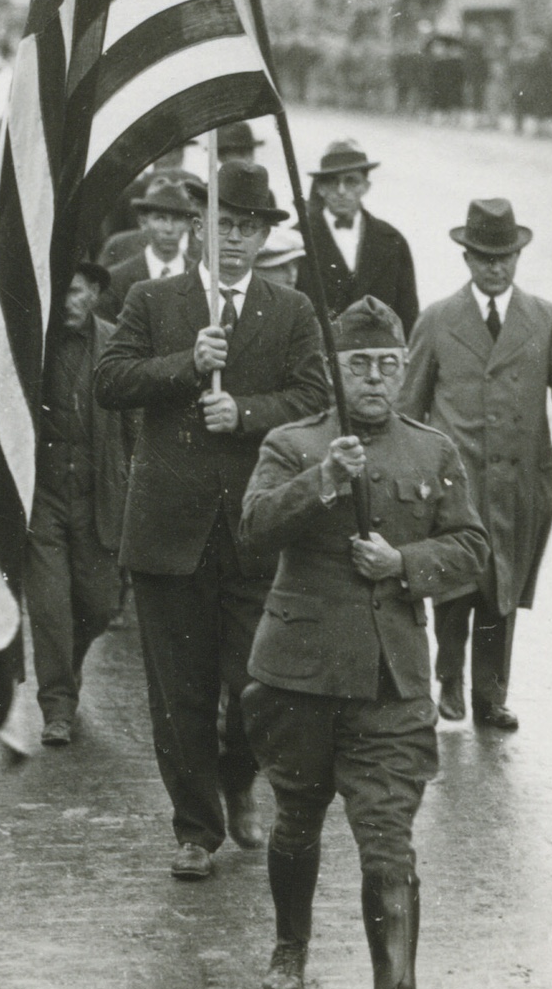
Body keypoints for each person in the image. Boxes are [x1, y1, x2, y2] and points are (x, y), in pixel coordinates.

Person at [239, 297, 487, 989]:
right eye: (358, 366)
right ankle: (291, 945)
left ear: (403, 367)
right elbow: (252, 530)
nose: (374, 379)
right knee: (298, 822)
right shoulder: (292, 442)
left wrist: (405, 564)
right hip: (301, 678)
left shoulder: (433, 451)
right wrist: (322, 479)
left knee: (387, 841)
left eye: (386, 365)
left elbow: (472, 549)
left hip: (390, 683)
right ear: (335, 372)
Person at [94, 160, 331, 879]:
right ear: (199, 226)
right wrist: (186, 365)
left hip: (256, 534)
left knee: (255, 687)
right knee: (179, 694)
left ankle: (238, 779)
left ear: (263, 239)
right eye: (224, 224)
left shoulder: (290, 312)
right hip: (168, 532)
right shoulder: (151, 298)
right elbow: (110, 381)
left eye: (249, 229)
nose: (234, 239)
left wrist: (247, 414)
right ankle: (196, 829)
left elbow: (316, 398)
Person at [402, 199, 552, 730]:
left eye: (505, 256)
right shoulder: (439, 319)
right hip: (454, 479)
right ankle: (448, 678)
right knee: (454, 582)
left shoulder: (544, 318)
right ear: (466, 258)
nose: (496, 267)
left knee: (500, 588)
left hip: (518, 479)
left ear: (518, 257)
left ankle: (490, 696)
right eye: (485, 257)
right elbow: (409, 400)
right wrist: (402, 461)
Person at [25, 261, 130, 747]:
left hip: (98, 492)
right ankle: (58, 706)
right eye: (61, 292)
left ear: (95, 294)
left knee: (100, 604)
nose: (69, 302)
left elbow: (135, 424)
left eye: (78, 292)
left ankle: (70, 667)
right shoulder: (31, 347)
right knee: (49, 606)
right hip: (42, 496)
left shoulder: (116, 344)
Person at [307, 139, 418, 332]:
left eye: (351, 181)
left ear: (366, 186)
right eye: (333, 181)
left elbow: (408, 316)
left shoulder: (392, 240)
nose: (341, 191)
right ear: (320, 188)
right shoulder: (299, 239)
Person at [104, 176, 197, 313]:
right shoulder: (117, 279)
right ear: (143, 222)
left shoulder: (200, 276)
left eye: (177, 219)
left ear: (189, 225)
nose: (169, 229)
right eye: (160, 218)